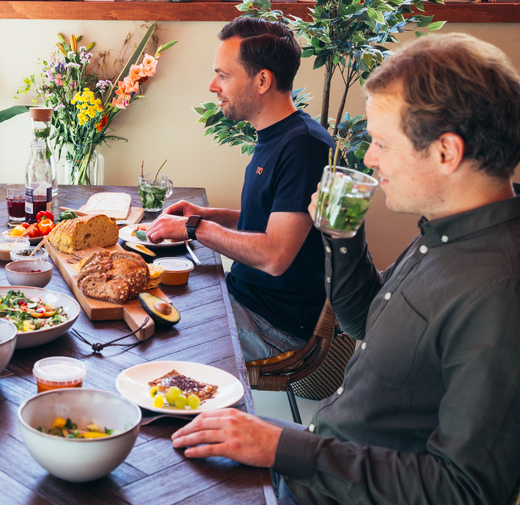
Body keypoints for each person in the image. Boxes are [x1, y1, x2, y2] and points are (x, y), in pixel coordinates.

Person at [170, 32, 520, 505]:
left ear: (446, 153)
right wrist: (340, 235)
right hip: (318, 458)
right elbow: (362, 321)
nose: (370, 159)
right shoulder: (444, 234)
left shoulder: (498, 288)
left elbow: (462, 489)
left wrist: (283, 445)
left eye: (381, 144)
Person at [147, 18, 333, 361]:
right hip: (245, 296)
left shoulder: (303, 146)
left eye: (224, 75)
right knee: (138, 293)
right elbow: (274, 220)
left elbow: (275, 256)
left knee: (145, 334)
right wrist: (209, 215)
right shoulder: (278, 134)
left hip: (276, 327)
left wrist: (195, 228)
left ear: (263, 80)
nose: (213, 86)